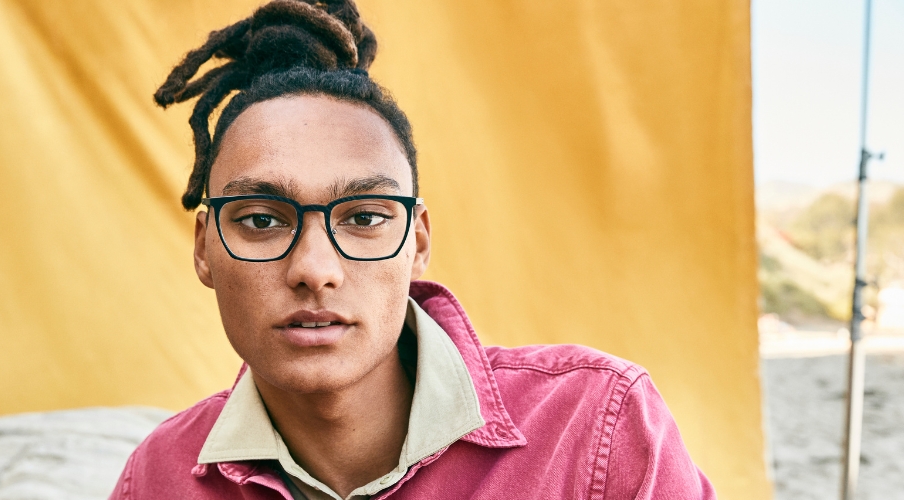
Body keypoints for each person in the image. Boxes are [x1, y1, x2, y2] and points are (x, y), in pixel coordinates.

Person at [110, 1, 716, 498]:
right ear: (204, 250)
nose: (315, 270)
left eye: (366, 217)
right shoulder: (157, 476)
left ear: (417, 243)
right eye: (263, 219)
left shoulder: (597, 426)